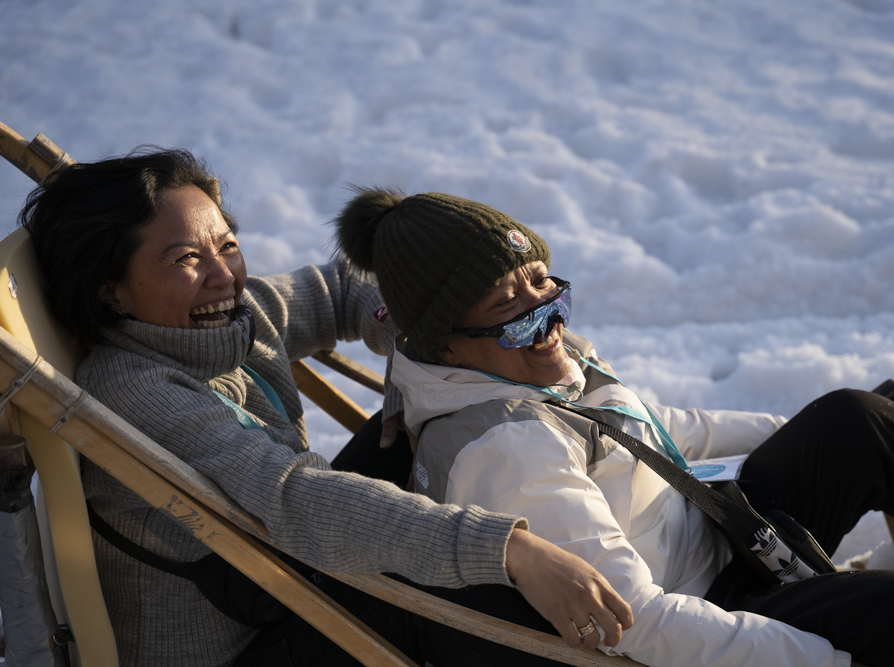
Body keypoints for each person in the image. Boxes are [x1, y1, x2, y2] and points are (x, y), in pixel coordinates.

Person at [333, 186, 894, 667]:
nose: (547, 317)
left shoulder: (522, 366)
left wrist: (797, 433)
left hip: (715, 536)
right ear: (446, 344)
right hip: (704, 617)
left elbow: (651, 431)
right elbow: (639, 625)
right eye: (511, 306)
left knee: (857, 422)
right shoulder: (506, 448)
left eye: (545, 285)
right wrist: (829, 657)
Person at [17, 149, 634, 667]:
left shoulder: (228, 317)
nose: (222, 276)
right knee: (492, 599)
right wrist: (509, 551)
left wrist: (439, 345)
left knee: (445, 425)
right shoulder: (135, 393)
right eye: (185, 259)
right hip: (250, 644)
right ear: (109, 289)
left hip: (288, 575)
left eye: (227, 245)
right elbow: (296, 496)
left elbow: (348, 289)